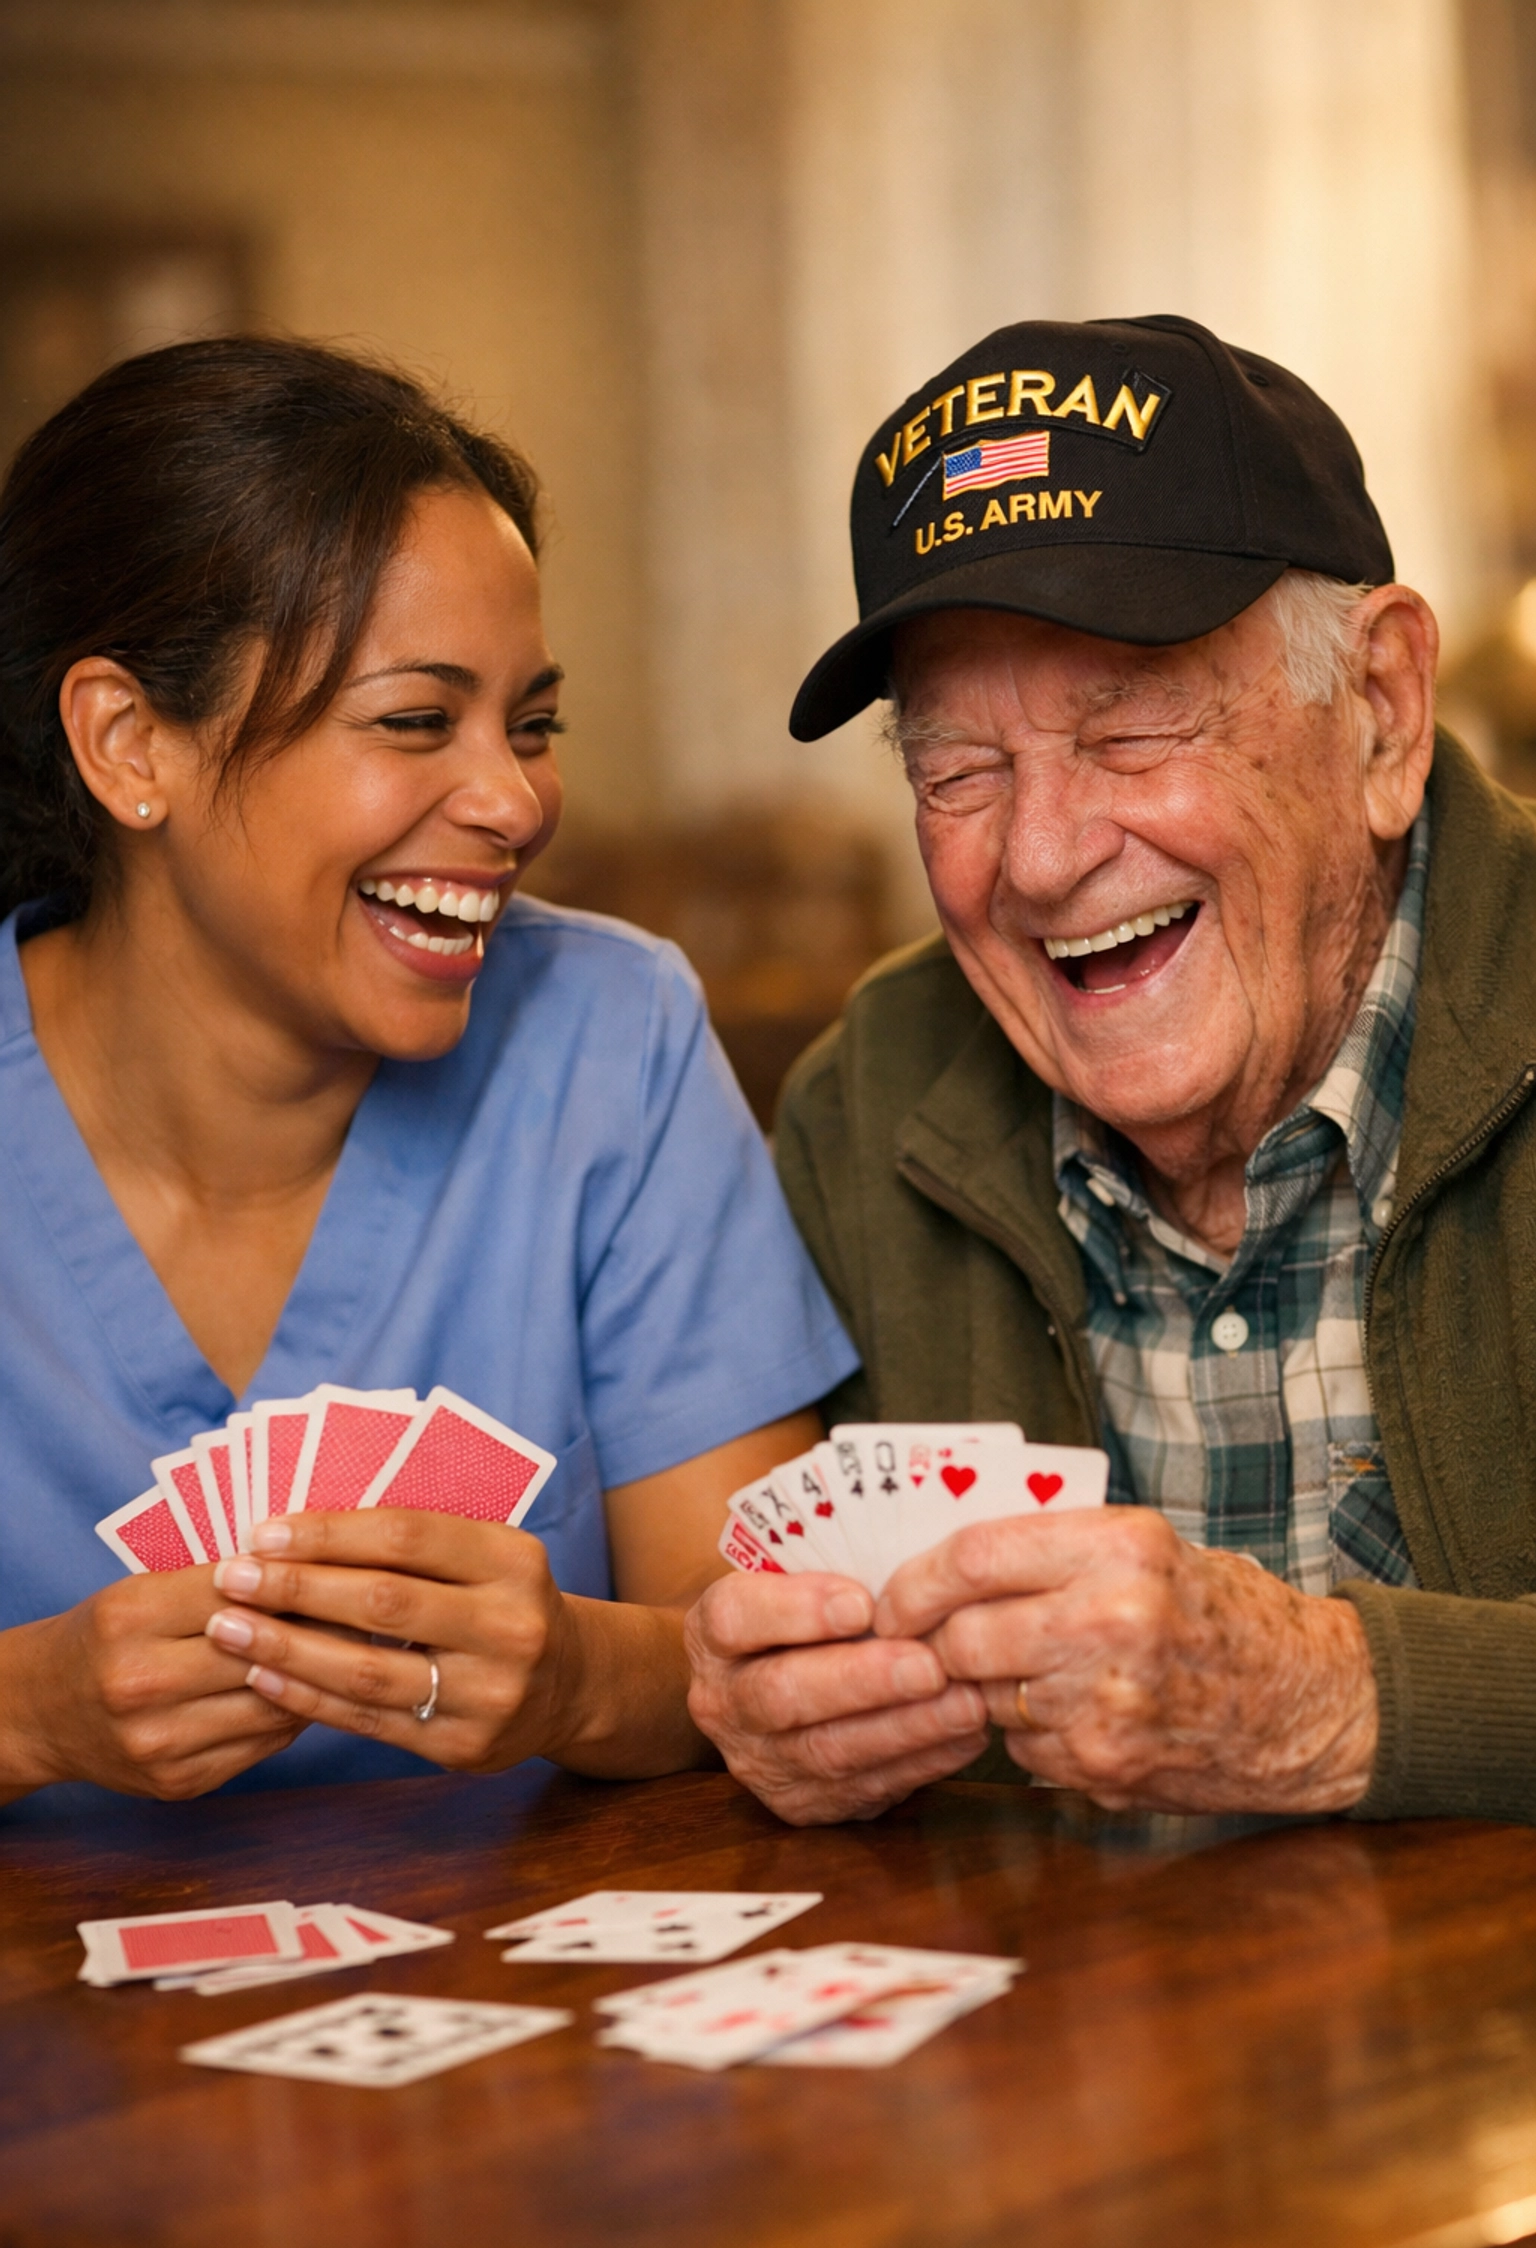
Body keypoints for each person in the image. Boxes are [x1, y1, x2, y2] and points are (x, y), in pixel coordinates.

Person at [687, 312, 1536, 1828]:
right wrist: (775, 1710)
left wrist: (1339, 1699)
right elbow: (791, 1635)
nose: (1041, 854)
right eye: (957, 770)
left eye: (1133, 728)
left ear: (1385, 714)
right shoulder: (870, 1102)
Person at [0, 335, 855, 1820]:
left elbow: (772, 1659)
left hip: (545, 2035)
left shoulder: (613, 1036)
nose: (514, 801)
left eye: (532, 726)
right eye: (414, 720)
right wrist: (27, 1718)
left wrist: (581, 1677)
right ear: (131, 744)